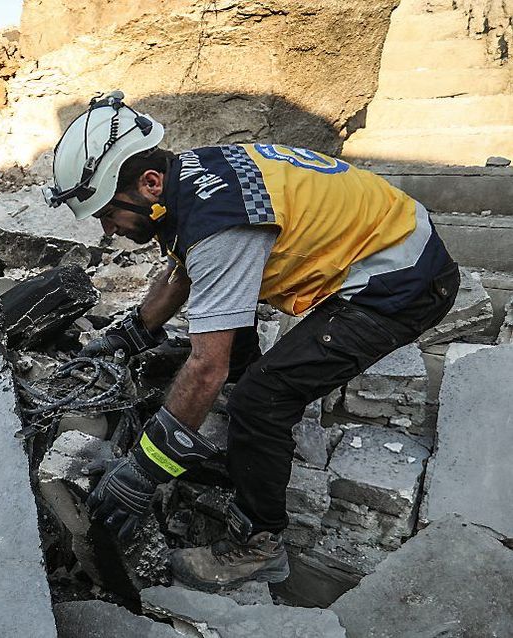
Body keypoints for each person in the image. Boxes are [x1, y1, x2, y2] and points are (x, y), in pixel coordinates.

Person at [41, 91, 459, 591]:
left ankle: (258, 544)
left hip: (403, 280)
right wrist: (132, 334)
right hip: (383, 241)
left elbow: (205, 365)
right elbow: (183, 269)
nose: (108, 229)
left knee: (263, 398)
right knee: (226, 336)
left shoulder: (220, 226)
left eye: (108, 213)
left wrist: (142, 474)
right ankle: (251, 439)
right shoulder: (189, 175)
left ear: (149, 183)